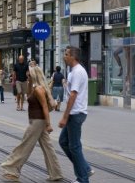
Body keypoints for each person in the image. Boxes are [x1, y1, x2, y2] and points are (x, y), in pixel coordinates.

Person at [1, 66, 63, 181]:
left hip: (38, 121)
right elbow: (28, 97)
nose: (26, 75)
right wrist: (29, 83)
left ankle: (12, 169)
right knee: (48, 147)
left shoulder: (39, 89)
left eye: (28, 73)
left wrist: (48, 124)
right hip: (37, 120)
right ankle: (56, 173)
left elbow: (45, 107)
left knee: (25, 145)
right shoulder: (34, 87)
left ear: (34, 74)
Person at [58, 46, 94, 183]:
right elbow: (71, 91)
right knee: (64, 142)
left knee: (74, 146)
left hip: (76, 113)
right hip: (75, 112)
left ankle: (83, 178)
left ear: (73, 56)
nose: (64, 56)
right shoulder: (73, 71)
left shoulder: (78, 72)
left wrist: (64, 117)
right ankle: (85, 169)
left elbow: (73, 95)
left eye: (66, 54)